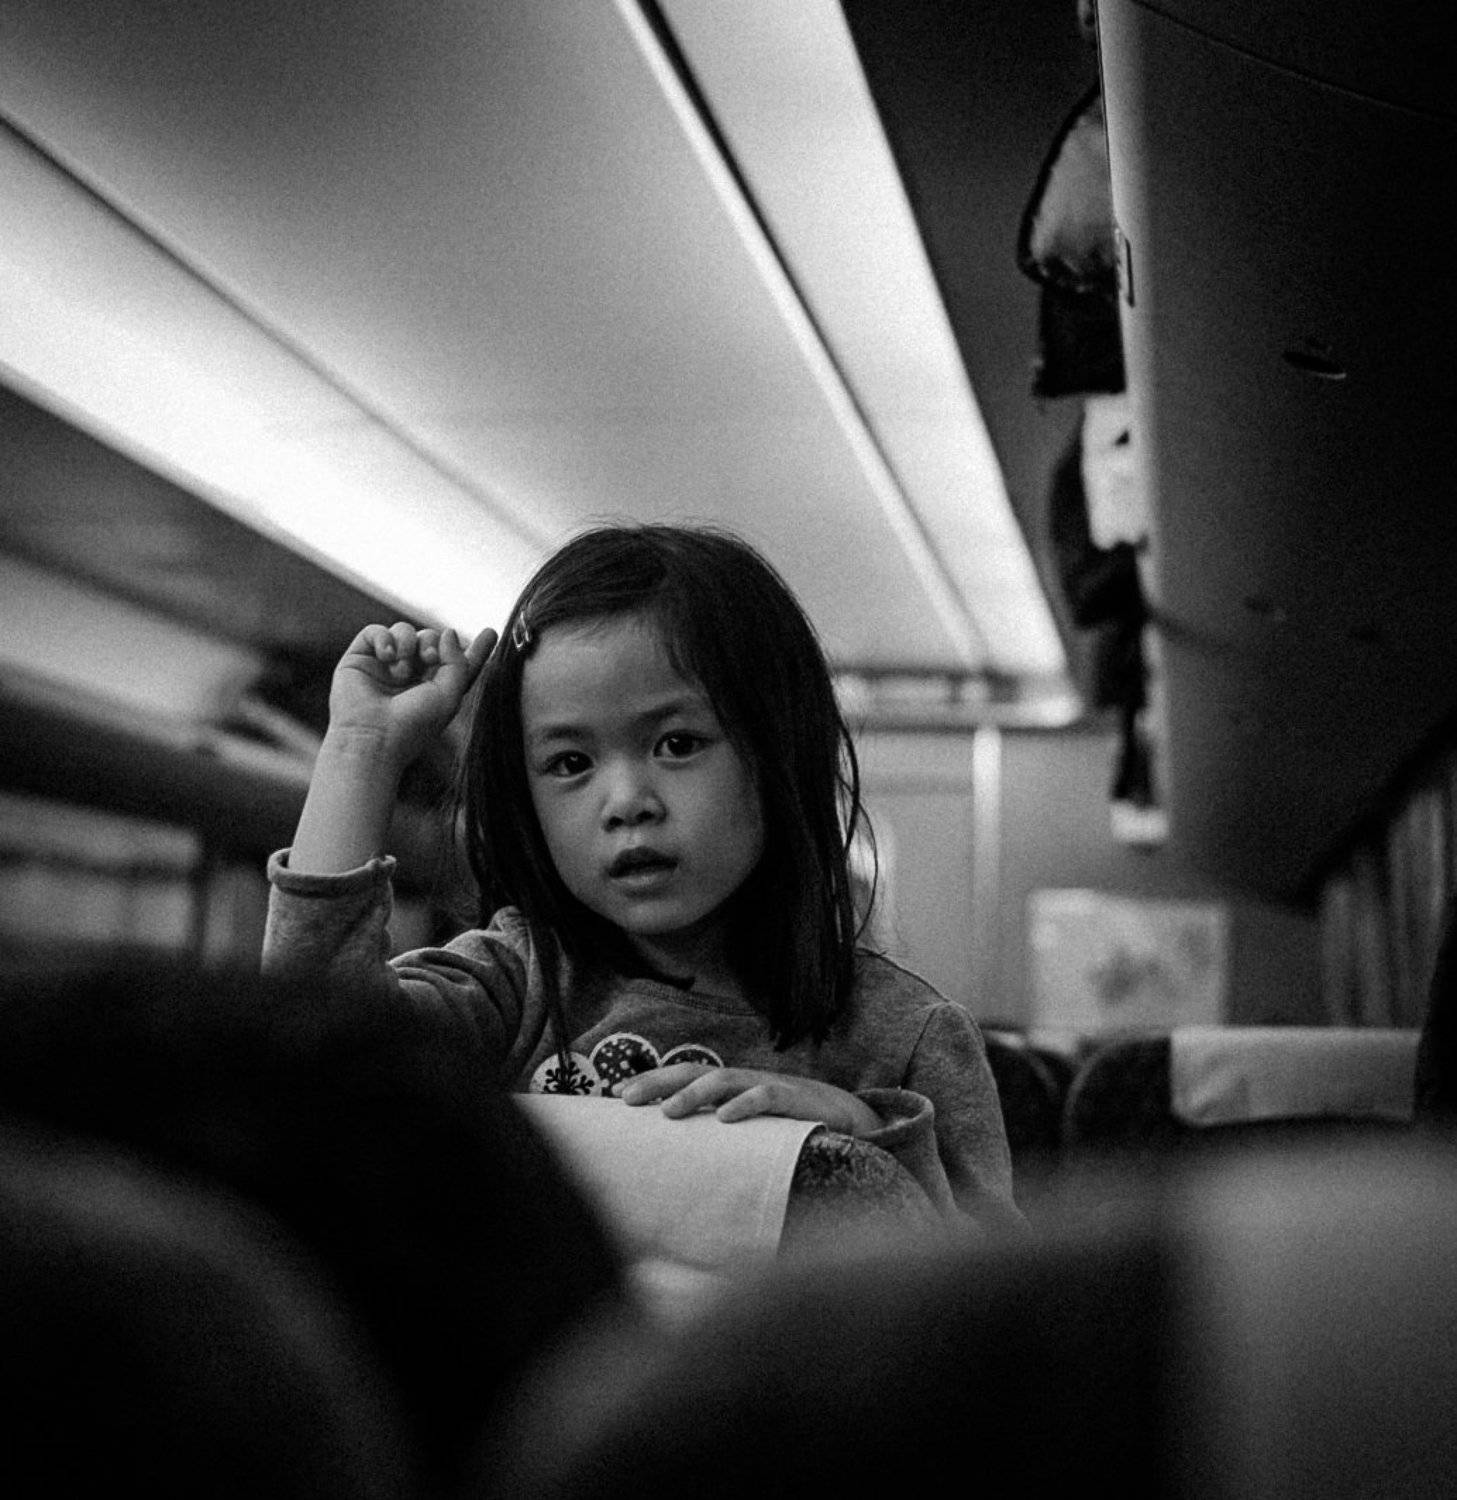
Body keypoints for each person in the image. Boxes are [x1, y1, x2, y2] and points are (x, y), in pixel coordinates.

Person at [263, 523, 1019, 1230]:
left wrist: (859, 1136)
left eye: (678, 744)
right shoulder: (515, 983)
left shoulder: (906, 1038)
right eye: (570, 763)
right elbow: (321, 1053)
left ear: (780, 754)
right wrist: (359, 752)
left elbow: (987, 1299)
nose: (626, 802)